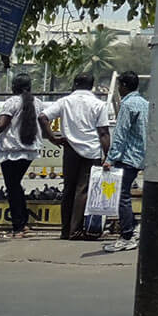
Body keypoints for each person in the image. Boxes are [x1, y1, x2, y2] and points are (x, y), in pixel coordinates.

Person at [0, 75, 51, 238]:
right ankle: (22, 222)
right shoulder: (38, 103)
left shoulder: (11, 102)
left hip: (11, 150)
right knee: (15, 185)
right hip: (29, 150)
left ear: (14, 87)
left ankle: (19, 225)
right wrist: (53, 138)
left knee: (12, 187)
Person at [48, 73, 112, 240]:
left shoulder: (64, 102)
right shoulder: (98, 104)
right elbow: (103, 132)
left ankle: (65, 229)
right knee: (83, 190)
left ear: (75, 84)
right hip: (91, 151)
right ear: (91, 86)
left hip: (70, 149)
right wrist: (108, 155)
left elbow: (43, 117)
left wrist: (51, 137)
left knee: (69, 189)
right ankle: (76, 230)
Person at [104, 71, 149, 252]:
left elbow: (121, 134)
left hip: (128, 156)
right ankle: (133, 226)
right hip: (142, 155)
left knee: (121, 196)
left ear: (123, 86)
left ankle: (127, 234)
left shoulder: (127, 105)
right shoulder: (145, 104)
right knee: (124, 194)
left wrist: (110, 158)